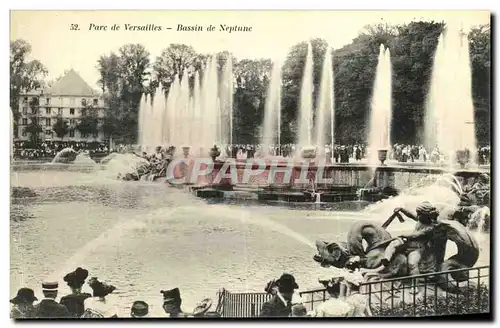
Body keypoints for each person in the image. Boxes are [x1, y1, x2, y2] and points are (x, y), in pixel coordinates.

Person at [391, 201, 444, 276]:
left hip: (419, 248)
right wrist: (402, 209)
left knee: (412, 263)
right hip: (410, 244)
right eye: (418, 213)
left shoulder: (430, 227)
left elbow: (415, 235)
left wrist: (402, 234)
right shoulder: (421, 219)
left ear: (427, 216)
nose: (417, 215)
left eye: (419, 214)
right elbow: (411, 215)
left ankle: (416, 284)